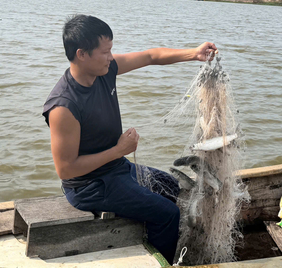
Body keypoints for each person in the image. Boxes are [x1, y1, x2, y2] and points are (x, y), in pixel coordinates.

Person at [42, 14, 217, 263]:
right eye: (105, 52)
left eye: (111, 50)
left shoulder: (104, 71)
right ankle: (161, 261)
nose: (111, 57)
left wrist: (194, 53)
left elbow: (150, 57)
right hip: (89, 186)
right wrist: (118, 150)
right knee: (168, 213)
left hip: (116, 168)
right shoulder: (64, 106)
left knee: (170, 187)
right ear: (82, 54)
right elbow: (66, 169)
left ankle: (141, 240)